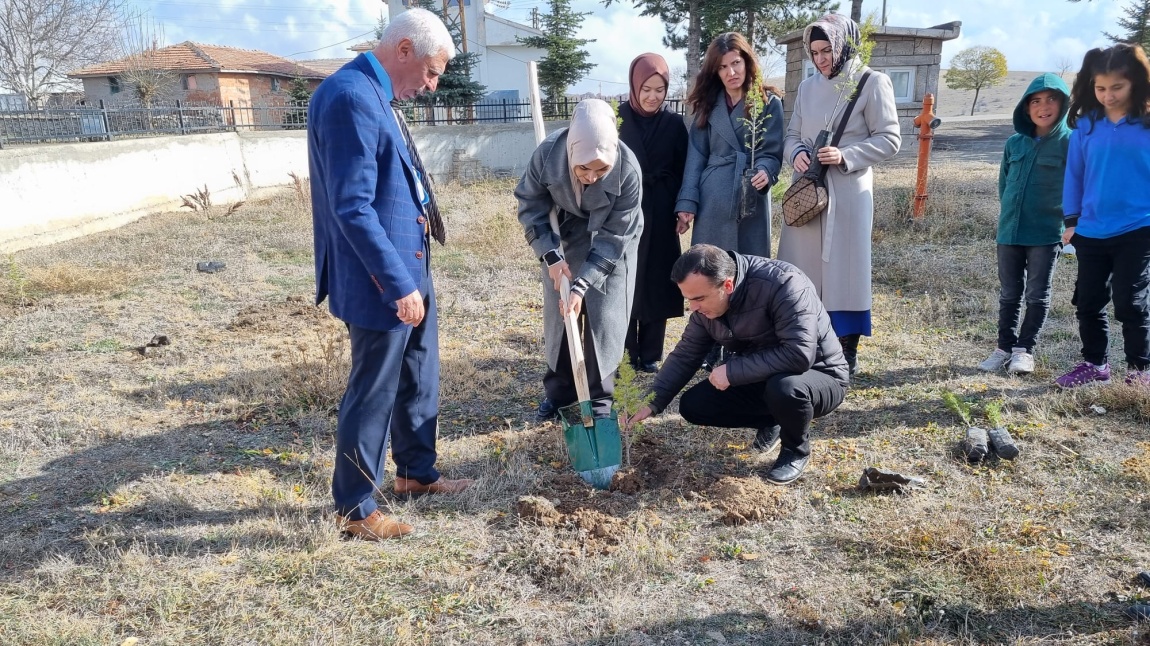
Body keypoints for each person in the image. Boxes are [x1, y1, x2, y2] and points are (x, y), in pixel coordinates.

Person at [308, 8, 473, 541]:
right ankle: (355, 507)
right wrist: (398, 283)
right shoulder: (350, 96)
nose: (430, 86)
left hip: (410, 263)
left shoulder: (377, 94)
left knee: (418, 372)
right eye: (430, 72)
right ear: (403, 50)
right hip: (380, 277)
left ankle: (414, 474)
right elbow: (352, 206)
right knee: (375, 387)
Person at [623, 244, 850, 485]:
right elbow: (686, 354)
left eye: (699, 298)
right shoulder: (705, 310)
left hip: (818, 375)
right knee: (694, 405)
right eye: (688, 299)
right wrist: (652, 401)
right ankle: (772, 419)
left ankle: (795, 450)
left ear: (727, 285)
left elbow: (798, 354)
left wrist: (732, 370)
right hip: (762, 376)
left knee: (784, 388)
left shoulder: (785, 284)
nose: (694, 308)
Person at [778, 14, 901, 376]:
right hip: (807, 192)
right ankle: (808, 340)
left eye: (827, 49)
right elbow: (792, 134)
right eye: (814, 52)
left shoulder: (872, 82)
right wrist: (796, 153)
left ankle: (846, 351)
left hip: (847, 192)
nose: (821, 59)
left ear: (843, 44)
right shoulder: (807, 87)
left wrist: (847, 155)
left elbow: (890, 137)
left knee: (845, 271)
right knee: (802, 268)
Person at [516, 99, 644, 421]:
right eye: (583, 167)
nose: (590, 175)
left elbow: (615, 236)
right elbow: (530, 205)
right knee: (561, 317)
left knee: (605, 320)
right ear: (572, 150)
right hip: (564, 237)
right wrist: (551, 257)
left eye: (601, 168)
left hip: (615, 242)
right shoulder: (547, 156)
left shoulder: (628, 171)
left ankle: (600, 402)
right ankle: (558, 396)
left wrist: (583, 283)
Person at [1054, 43, 1150, 388]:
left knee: (1130, 301)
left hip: (1138, 227)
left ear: (1135, 83)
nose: (1108, 95)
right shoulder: (1086, 126)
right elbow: (1074, 175)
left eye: (1117, 87)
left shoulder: (1147, 123)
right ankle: (1095, 364)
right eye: (1100, 88)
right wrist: (1072, 220)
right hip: (1091, 230)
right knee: (1089, 301)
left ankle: (1140, 370)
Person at [977, 73, 1072, 375]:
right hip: (1009, 231)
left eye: (1051, 99)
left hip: (1045, 233)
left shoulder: (1071, 143)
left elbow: (1077, 187)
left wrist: (1070, 224)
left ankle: (1024, 350)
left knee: (1037, 294)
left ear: (1063, 104)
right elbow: (1004, 185)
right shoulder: (1013, 144)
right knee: (1009, 293)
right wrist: (1010, 215)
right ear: (1026, 107)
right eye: (1035, 101)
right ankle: (1004, 347)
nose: (1043, 107)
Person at [675, 32, 784, 259]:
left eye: (736, 63)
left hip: (750, 196)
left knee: (750, 272)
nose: (731, 72)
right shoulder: (707, 105)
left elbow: (772, 152)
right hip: (712, 201)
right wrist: (687, 202)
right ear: (715, 71)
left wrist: (765, 170)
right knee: (709, 271)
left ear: (747, 61)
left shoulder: (768, 103)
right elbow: (696, 156)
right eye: (723, 67)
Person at [618, 53, 689, 373]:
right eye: (646, 88)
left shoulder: (674, 123)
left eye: (660, 89)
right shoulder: (617, 118)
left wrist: (683, 209)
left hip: (661, 209)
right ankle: (624, 349)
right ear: (634, 86)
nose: (652, 96)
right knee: (626, 277)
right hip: (626, 209)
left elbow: (684, 168)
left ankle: (650, 352)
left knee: (658, 278)